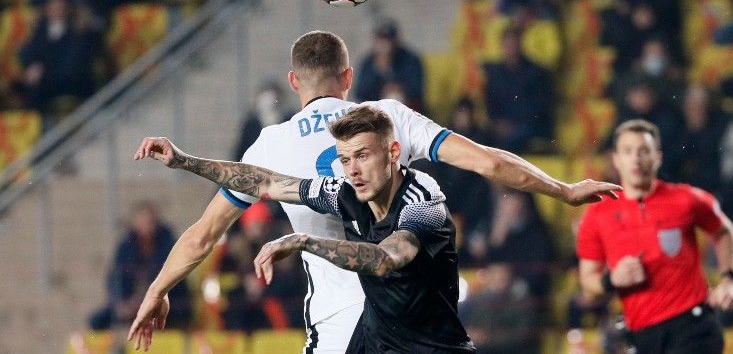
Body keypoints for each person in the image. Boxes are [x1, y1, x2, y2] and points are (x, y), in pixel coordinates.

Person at [126, 30, 620, 352]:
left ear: (294, 81)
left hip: (339, 321)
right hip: (415, 316)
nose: (353, 170)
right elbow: (489, 161)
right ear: (348, 77)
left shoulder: (272, 142)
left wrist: (158, 289)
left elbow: (205, 233)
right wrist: (564, 190)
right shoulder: (389, 120)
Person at [133, 106, 478, 352]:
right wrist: (184, 161)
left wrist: (304, 241)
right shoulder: (345, 193)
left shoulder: (423, 200)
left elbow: (386, 259)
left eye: (362, 156)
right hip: (376, 342)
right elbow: (265, 181)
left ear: (393, 154)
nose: (352, 170)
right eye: (345, 160)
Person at [577, 119, 733, 353]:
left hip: (693, 325)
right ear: (616, 159)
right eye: (628, 151)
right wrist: (611, 280)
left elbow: (723, 230)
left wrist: (729, 279)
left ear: (658, 157)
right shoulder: (597, 214)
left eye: (644, 151)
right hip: (643, 335)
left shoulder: (685, 199)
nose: (636, 158)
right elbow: (587, 281)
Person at [89, 201, 191, 330]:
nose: (147, 226)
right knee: (97, 321)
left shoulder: (168, 244)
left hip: (169, 305)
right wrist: (123, 304)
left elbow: (174, 283)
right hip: (133, 305)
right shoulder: (125, 247)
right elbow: (115, 280)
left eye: (150, 222)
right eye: (143, 221)